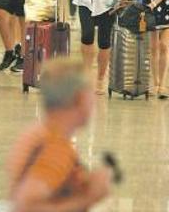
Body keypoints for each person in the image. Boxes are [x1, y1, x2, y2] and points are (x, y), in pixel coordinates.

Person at [7, 59, 112, 211]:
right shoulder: (54, 147)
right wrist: (89, 198)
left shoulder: (37, 133)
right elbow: (27, 206)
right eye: (91, 93)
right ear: (80, 98)